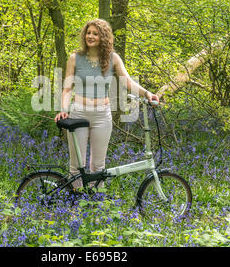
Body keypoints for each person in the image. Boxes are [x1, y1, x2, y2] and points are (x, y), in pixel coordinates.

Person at [54, 19, 159, 189]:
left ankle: (96, 205)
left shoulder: (113, 58)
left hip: (102, 115)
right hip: (79, 112)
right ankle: (75, 206)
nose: (91, 36)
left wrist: (147, 93)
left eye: (95, 33)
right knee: (75, 166)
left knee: (98, 166)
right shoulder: (75, 58)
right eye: (88, 33)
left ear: (103, 37)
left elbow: (129, 83)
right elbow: (67, 90)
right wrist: (64, 109)